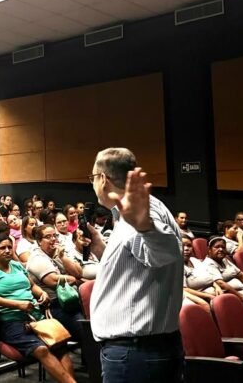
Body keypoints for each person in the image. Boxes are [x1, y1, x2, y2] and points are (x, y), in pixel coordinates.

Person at [87, 147, 184, 382]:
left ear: (103, 179)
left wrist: (145, 227)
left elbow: (165, 253)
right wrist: (103, 251)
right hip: (146, 349)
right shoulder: (147, 209)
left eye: (92, 178)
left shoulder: (139, 217)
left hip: (136, 353)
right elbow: (139, 266)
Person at [0, 234, 75, 383]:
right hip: (10, 321)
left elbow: (32, 286)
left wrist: (41, 293)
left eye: (10, 247)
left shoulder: (16, 266)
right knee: (41, 349)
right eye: (2, 248)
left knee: (59, 344)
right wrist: (17, 304)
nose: (7, 251)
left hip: (34, 316)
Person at [27, 225, 84, 339]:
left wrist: (63, 257)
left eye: (55, 236)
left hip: (72, 300)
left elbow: (78, 273)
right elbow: (53, 281)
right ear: (39, 241)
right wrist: (73, 279)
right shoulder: (37, 258)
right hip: (55, 305)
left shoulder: (57, 252)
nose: (53, 239)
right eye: (48, 237)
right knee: (84, 329)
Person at [181, 235, 216, 311]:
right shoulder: (177, 265)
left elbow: (210, 277)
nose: (186, 248)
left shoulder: (194, 260)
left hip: (210, 291)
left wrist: (217, 287)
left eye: (189, 246)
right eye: (182, 245)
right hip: (197, 294)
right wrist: (207, 296)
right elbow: (184, 289)